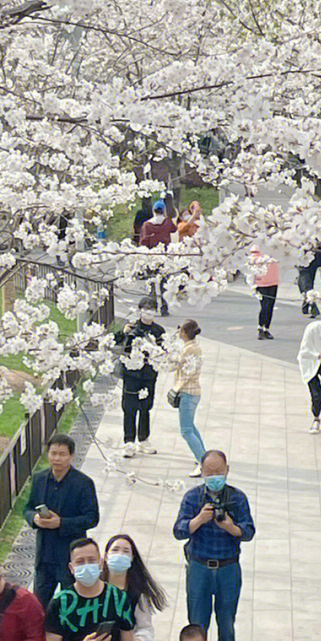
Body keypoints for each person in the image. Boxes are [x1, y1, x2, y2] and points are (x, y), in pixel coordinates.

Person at [172, 449, 256, 641]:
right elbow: (178, 531)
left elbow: (249, 532)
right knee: (197, 623)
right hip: (199, 567)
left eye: (219, 472)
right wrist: (198, 520)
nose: (215, 476)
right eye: (209, 472)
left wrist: (231, 527)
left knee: (227, 622)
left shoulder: (237, 498)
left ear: (227, 470)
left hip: (228, 567)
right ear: (202, 472)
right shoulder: (193, 498)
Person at [23, 432, 100, 607]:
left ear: (71, 456)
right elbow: (27, 508)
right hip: (45, 556)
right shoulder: (40, 479)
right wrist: (34, 518)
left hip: (70, 555)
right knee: (39, 607)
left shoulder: (83, 483)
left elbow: (92, 518)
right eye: (53, 453)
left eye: (62, 454)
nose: (57, 458)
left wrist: (62, 523)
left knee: (72, 605)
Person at [114, 297, 165, 458]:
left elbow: (165, 351)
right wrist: (124, 332)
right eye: (145, 309)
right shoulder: (133, 328)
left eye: (152, 309)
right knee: (129, 408)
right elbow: (117, 342)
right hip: (132, 375)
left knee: (146, 407)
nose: (148, 312)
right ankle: (129, 441)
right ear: (140, 310)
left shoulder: (159, 331)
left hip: (149, 375)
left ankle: (144, 439)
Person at [171, 318, 207, 477]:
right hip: (193, 391)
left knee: (186, 430)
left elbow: (178, 367)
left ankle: (202, 462)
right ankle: (203, 456)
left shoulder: (189, 350)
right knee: (190, 426)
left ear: (184, 333)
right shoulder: (193, 347)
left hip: (188, 392)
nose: (178, 332)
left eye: (180, 330)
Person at [138, 200, 176, 314]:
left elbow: (143, 241)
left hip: (151, 257)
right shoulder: (167, 222)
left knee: (152, 282)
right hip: (164, 256)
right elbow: (174, 229)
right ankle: (164, 307)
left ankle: (152, 307)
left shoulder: (147, 225)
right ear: (163, 210)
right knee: (163, 283)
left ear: (153, 210)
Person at [251, 248, 279, 340]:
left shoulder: (276, 246)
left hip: (273, 281)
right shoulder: (259, 246)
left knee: (270, 306)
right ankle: (260, 328)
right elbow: (252, 258)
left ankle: (267, 329)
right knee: (265, 306)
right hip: (261, 282)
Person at [298, 245, 321, 316]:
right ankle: (307, 302)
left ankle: (311, 303)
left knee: (306, 282)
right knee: (307, 282)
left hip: (311, 257)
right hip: (307, 257)